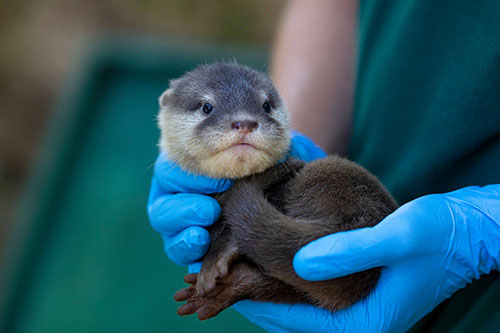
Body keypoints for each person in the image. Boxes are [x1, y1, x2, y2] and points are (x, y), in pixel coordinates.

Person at [148, 0, 500, 331]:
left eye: (263, 111)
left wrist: (485, 225)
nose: (244, 123)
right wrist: (294, 143)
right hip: (378, 176)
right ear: (167, 112)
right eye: (208, 110)